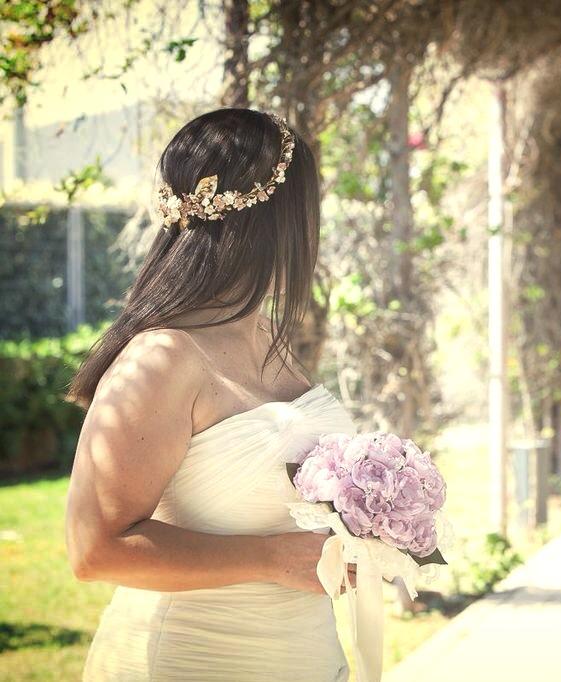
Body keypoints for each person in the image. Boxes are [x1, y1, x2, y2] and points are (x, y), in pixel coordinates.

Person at [66, 108, 355, 681]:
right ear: (282, 220)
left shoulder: (269, 336)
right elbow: (94, 549)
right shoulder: (161, 359)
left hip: (305, 655)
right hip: (196, 661)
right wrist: (270, 560)